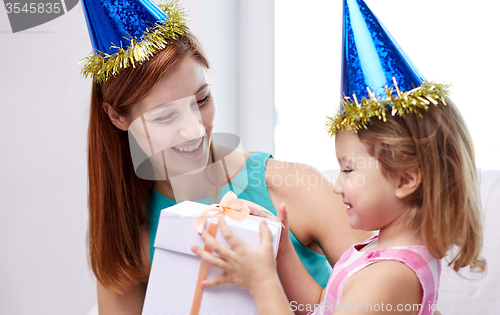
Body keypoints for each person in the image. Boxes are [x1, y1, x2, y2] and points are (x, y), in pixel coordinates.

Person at [191, 1, 485, 314]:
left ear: (405, 178)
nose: (336, 185)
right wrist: (281, 250)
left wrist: (262, 282)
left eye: (348, 169)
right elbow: (321, 305)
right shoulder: (378, 251)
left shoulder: (390, 275)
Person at [80, 1, 369, 313]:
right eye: (165, 117)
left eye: (202, 99)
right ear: (117, 116)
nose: (193, 131)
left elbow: (389, 295)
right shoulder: (130, 233)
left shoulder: (293, 187)